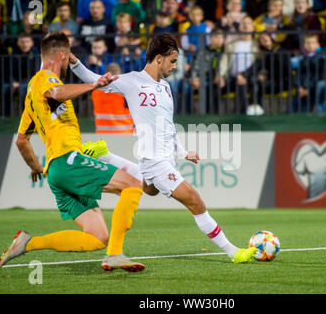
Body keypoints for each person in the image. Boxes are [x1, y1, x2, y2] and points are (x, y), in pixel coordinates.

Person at [69, 33, 257, 264]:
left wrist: (183, 151)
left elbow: (167, 126)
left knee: (149, 190)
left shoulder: (166, 88)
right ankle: (233, 252)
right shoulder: (131, 80)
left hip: (166, 158)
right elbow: (94, 79)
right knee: (195, 201)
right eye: (173, 61)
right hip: (154, 159)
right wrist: (74, 61)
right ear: (159, 58)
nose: (175, 66)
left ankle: (105, 156)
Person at [0, 32, 146, 272]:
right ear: (61, 56)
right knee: (133, 184)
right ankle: (115, 255)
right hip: (68, 160)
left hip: (56, 170)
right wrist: (93, 84)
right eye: (68, 59)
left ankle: (28, 243)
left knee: (98, 237)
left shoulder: (31, 95)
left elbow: (22, 141)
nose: (68, 65)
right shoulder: (47, 79)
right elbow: (56, 93)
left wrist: (36, 167)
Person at [217, 16, 260, 114]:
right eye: (243, 23)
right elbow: (224, 61)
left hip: (250, 76)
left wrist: (243, 75)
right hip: (232, 77)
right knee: (216, 86)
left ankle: (240, 114)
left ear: (253, 28)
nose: (245, 25)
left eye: (248, 23)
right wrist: (220, 75)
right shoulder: (231, 45)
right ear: (239, 27)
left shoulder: (257, 45)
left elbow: (258, 64)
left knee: (242, 83)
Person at [291, 34, 326, 113]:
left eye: (313, 43)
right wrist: (300, 87)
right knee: (294, 106)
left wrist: (308, 88)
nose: (310, 45)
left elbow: (320, 75)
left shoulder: (322, 59)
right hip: (302, 89)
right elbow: (297, 75)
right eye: (308, 43)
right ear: (304, 45)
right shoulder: (301, 60)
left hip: (313, 89)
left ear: (317, 44)